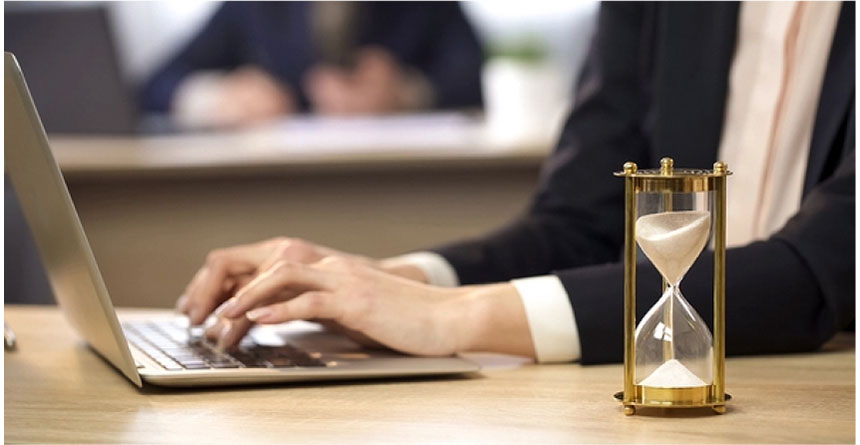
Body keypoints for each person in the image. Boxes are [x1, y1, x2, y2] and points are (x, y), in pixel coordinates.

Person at [177, 2, 855, 364]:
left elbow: (823, 271)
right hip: (654, 389)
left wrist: (455, 316)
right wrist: (393, 282)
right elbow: (582, 221)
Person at [139, 1, 483, 128]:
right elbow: (156, 83)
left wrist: (407, 92)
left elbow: (476, 75)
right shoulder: (253, 7)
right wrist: (216, 97)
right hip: (278, 189)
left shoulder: (427, 6)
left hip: (400, 185)